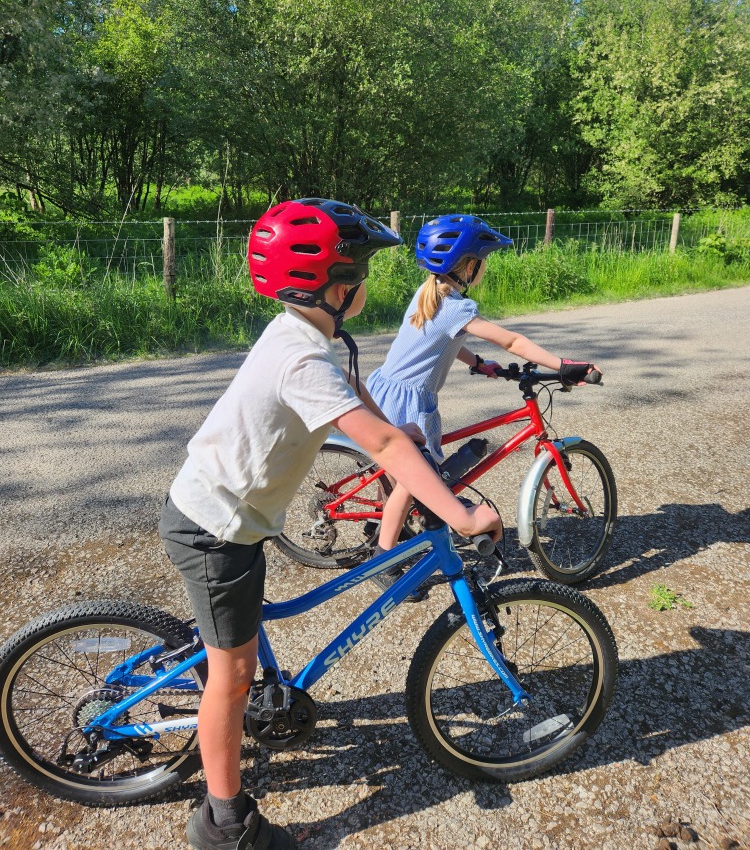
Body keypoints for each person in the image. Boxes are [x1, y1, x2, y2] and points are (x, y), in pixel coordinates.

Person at [159, 199, 503, 850]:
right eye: (365, 269)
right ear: (338, 287)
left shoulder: (314, 335)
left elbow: (363, 400)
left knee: (239, 649)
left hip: (236, 516)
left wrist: (394, 424)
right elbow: (384, 447)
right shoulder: (303, 361)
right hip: (215, 529)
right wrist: (459, 512)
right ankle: (223, 823)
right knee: (230, 678)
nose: (370, 281)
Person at [366, 213, 601, 593]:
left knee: (405, 475)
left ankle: (411, 524)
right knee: (413, 479)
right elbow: (511, 342)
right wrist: (564, 365)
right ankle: (383, 558)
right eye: (483, 262)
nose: (484, 269)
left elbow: (443, 342)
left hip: (386, 390)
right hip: (408, 402)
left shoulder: (430, 293)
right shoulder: (457, 308)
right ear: (470, 264)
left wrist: (477, 363)